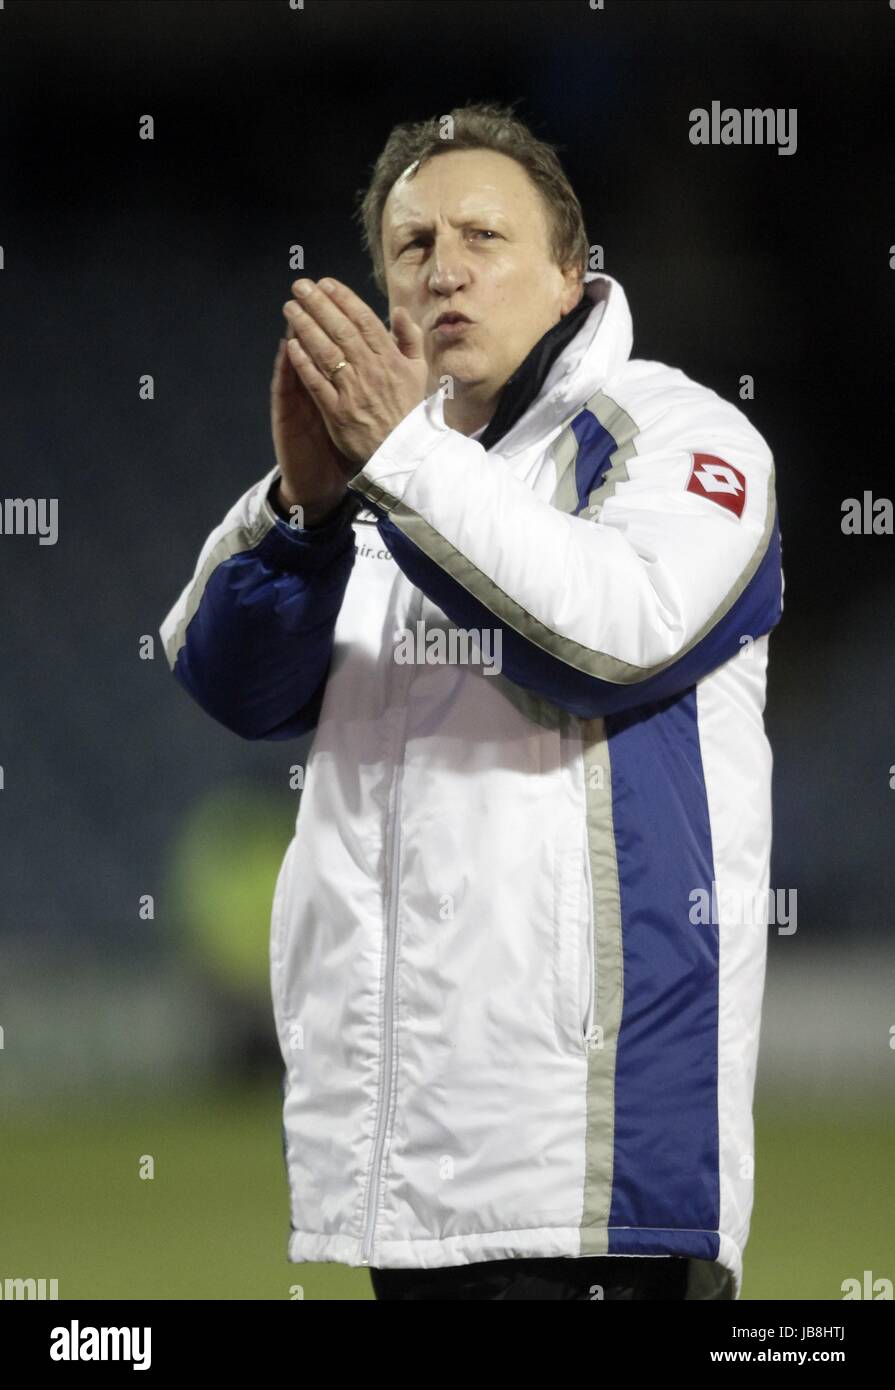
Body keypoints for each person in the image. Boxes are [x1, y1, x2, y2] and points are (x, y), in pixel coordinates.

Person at [159, 102, 783, 1301]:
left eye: (483, 238)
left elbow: (607, 635)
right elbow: (227, 678)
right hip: (411, 1175)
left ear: (568, 272)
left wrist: (396, 465)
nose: (444, 268)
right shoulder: (391, 463)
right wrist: (308, 514)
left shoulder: (679, 435)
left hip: (597, 1177)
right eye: (411, 246)